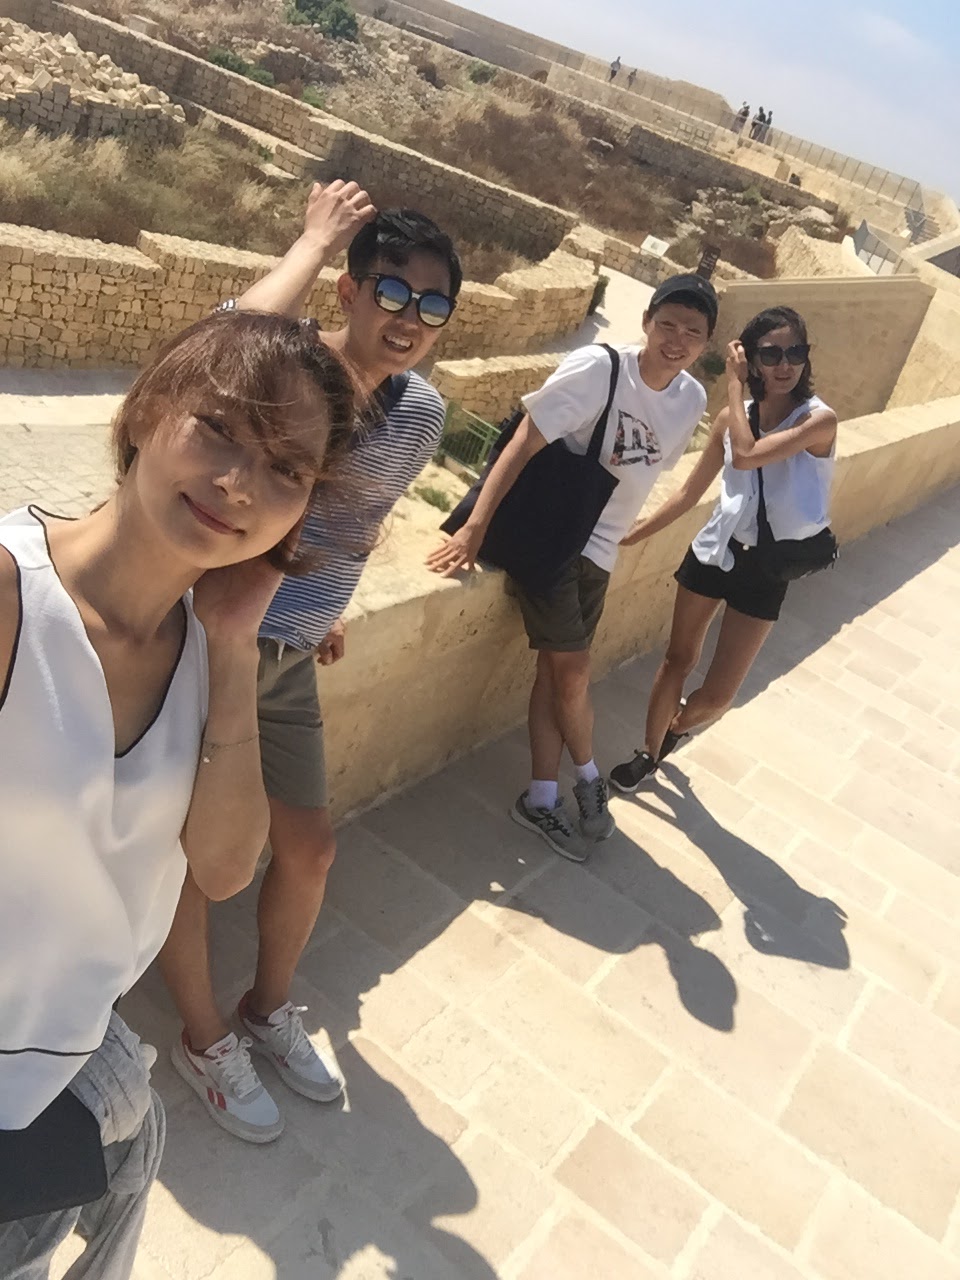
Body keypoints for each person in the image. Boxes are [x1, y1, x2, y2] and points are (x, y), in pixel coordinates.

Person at [0, 310, 356, 1276]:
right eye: (220, 428)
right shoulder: (12, 596)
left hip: (55, 1084)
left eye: (287, 470)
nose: (240, 484)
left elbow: (226, 867)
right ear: (147, 407)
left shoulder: (205, 651)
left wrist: (234, 645)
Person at [159, 183, 462, 1142]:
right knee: (195, 855)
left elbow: (356, 524)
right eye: (392, 291)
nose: (409, 318)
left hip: (290, 649)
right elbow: (213, 344)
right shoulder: (287, 369)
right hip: (208, 635)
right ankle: (203, 1035)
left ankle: (265, 1008)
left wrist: (326, 609)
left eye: (433, 304)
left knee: (310, 848)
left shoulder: (421, 415)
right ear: (349, 290)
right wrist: (311, 242)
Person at [427, 274, 717, 862]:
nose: (676, 340)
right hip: (555, 541)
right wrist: (475, 526)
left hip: (600, 553)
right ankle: (588, 779)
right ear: (646, 322)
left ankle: (539, 797)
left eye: (692, 332)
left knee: (555, 676)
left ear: (706, 343)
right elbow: (524, 441)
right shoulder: (598, 369)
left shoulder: (690, 400)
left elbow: (650, 474)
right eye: (666, 324)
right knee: (576, 671)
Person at [610, 306, 837, 792]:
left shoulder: (818, 421)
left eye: (794, 352)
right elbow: (687, 493)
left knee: (718, 696)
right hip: (715, 549)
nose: (784, 365)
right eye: (770, 354)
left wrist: (734, 385)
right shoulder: (729, 422)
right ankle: (648, 753)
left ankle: (675, 727)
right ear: (752, 359)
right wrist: (633, 533)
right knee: (677, 659)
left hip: (767, 568)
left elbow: (749, 454)